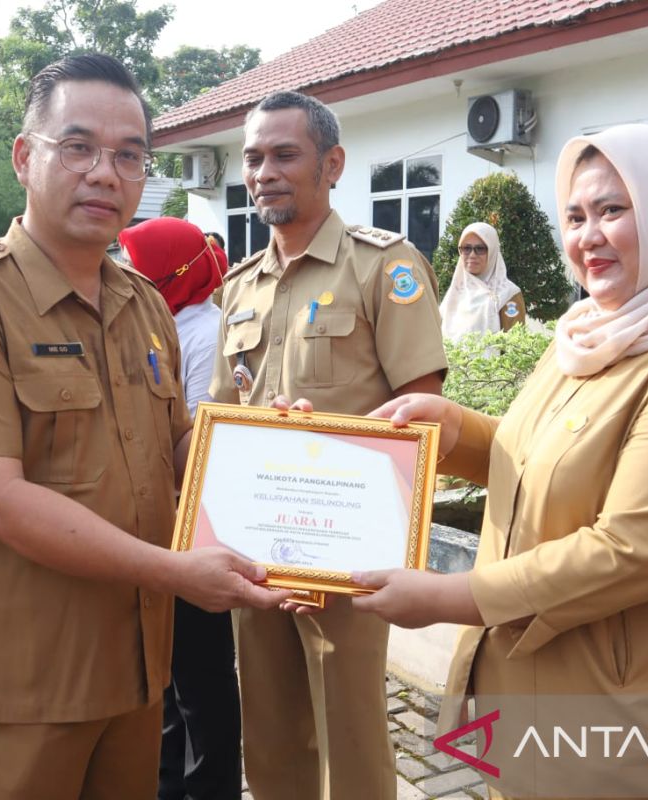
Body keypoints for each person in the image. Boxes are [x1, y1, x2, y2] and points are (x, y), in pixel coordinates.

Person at [345, 124, 648, 798]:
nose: (587, 235)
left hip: (635, 727)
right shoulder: (591, 332)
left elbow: (636, 546)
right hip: (533, 697)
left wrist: (449, 597)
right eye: (576, 215)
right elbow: (548, 458)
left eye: (614, 210)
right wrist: (452, 428)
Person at [0, 54, 287, 800]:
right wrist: (175, 573)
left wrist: (259, 448)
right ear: (24, 157)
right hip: (25, 681)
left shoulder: (143, 303)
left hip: (137, 664)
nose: (106, 174)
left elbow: (177, 441)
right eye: (77, 147)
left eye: (129, 155)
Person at [209, 90, 448, 800]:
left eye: (285, 154)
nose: (264, 172)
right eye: (253, 157)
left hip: (349, 553)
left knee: (348, 730)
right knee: (271, 727)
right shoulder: (239, 286)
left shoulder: (383, 267)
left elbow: (422, 410)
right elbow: (227, 414)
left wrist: (330, 512)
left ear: (332, 163)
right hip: (258, 550)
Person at [117, 217, 240, 800]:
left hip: (192, 523)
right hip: (152, 524)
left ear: (172, 270)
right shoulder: (153, 321)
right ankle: (167, 784)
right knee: (162, 674)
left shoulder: (203, 330)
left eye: (136, 261)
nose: (125, 271)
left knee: (201, 677)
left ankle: (208, 786)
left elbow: (200, 432)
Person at [439, 221, 525, 340]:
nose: (472, 255)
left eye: (480, 249)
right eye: (466, 248)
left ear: (492, 251)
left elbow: (515, 345)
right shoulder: (455, 292)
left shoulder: (507, 294)